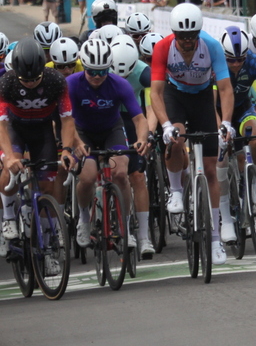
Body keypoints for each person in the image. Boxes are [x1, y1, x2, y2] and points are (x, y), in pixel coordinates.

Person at [150, 3, 235, 265]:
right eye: (182, 37)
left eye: (192, 37)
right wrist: (165, 125)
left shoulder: (211, 46)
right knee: (176, 136)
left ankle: (215, 238)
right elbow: (155, 92)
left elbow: (225, 89)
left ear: (199, 33)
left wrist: (227, 123)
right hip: (175, 95)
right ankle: (176, 190)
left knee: (211, 169)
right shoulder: (163, 47)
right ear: (174, 33)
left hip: (201, 98)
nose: (187, 42)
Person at [0, 39, 82, 249]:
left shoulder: (55, 80)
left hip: (43, 131)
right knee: (9, 172)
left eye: (35, 79)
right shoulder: (7, 82)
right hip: (16, 130)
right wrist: (8, 156)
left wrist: (66, 149)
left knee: (47, 187)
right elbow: (2, 123)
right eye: (25, 80)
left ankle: (48, 245)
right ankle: (8, 217)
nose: (30, 83)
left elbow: (66, 119)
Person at [69, 39, 148, 249]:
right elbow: (65, 120)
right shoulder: (72, 83)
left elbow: (139, 119)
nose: (96, 77)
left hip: (111, 130)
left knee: (120, 173)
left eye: (102, 72)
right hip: (82, 132)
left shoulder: (119, 84)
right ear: (83, 66)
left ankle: (126, 226)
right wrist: (75, 142)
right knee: (87, 176)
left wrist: (141, 139)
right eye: (91, 71)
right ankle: (84, 220)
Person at [215, 26, 256, 242]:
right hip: (219, 112)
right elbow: (210, 105)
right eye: (231, 60)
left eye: (240, 59)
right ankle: (226, 218)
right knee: (220, 160)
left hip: (243, 109)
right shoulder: (216, 64)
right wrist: (221, 129)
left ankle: (254, 183)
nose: (236, 64)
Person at [109, 35, 158, 258]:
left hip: (133, 118)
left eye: (127, 75)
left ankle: (144, 236)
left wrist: (147, 135)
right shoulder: (102, 70)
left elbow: (151, 106)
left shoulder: (144, 72)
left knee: (137, 176)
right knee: (114, 172)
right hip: (108, 120)